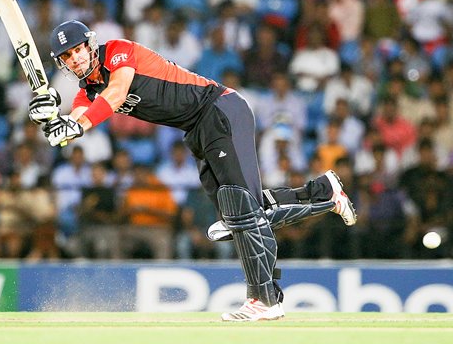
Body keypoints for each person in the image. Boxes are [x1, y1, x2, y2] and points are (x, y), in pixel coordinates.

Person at [28, 20, 357, 322]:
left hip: (219, 109)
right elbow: (78, 119)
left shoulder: (117, 51)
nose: (74, 59)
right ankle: (324, 193)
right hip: (198, 128)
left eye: (76, 50)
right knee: (243, 211)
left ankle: (266, 300)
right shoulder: (89, 91)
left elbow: (115, 96)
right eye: (66, 57)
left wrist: (75, 124)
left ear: (90, 44)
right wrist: (55, 124)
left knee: (241, 209)